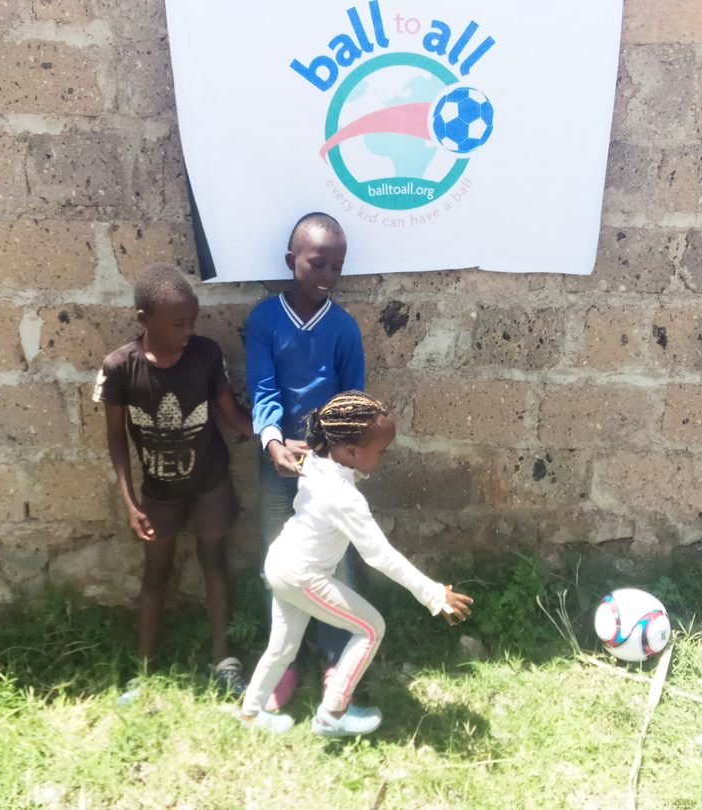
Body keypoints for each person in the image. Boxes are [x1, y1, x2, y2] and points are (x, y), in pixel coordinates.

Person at [239, 391, 473, 736]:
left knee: (282, 647)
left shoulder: (317, 460)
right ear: (350, 451)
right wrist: (434, 594)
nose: (383, 456)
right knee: (370, 628)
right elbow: (380, 555)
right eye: (380, 451)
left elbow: (308, 457)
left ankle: (251, 712)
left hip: (281, 562)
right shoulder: (345, 498)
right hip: (303, 576)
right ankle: (333, 714)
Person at [93, 262, 254, 697]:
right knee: (155, 574)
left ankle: (224, 660)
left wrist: (273, 437)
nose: (188, 330)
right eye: (178, 323)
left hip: (210, 484)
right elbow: (116, 438)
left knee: (214, 564)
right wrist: (130, 503)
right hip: (158, 494)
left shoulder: (206, 355)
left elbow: (231, 413)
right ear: (144, 319)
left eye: (192, 320)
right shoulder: (120, 367)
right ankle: (144, 671)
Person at [245, 212, 366, 709]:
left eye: (337, 267)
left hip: (328, 468)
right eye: (317, 264)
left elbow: (353, 402)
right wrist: (274, 443)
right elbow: (263, 388)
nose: (327, 276)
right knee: (281, 561)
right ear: (290, 261)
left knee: (335, 562)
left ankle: (336, 657)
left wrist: (325, 451)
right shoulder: (265, 320)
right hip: (278, 461)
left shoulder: (344, 328)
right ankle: (285, 660)